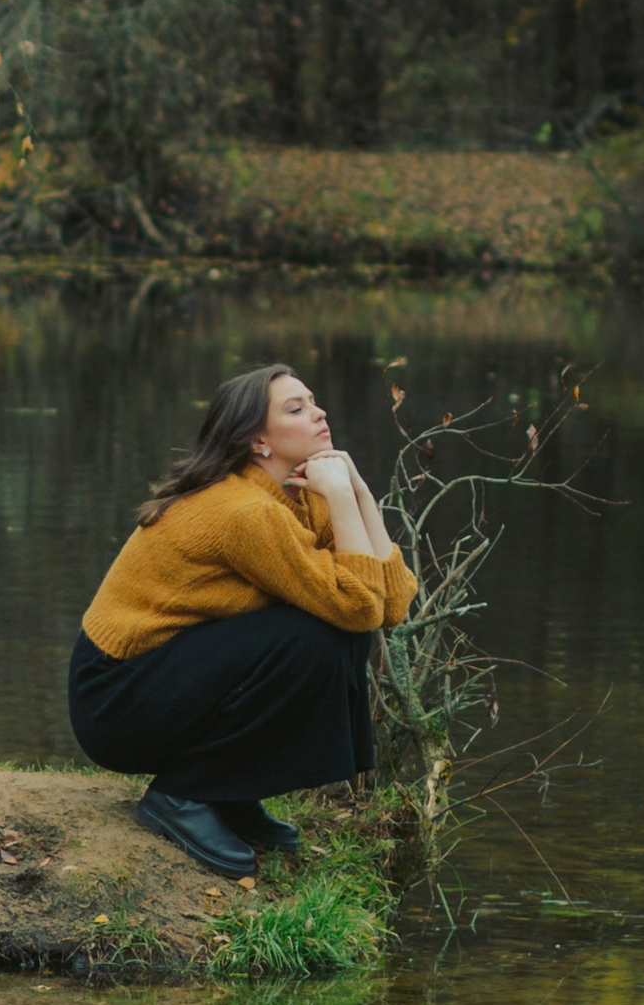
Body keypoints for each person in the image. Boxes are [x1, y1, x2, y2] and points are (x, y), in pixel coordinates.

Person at [67, 361, 415, 881]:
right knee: (312, 635)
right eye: (296, 409)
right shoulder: (245, 512)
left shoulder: (302, 494)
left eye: (313, 401)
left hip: (173, 675)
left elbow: (391, 605)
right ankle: (181, 795)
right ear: (258, 441)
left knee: (335, 632)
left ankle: (227, 789)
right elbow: (361, 606)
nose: (319, 413)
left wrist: (358, 492)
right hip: (116, 697)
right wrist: (343, 497)